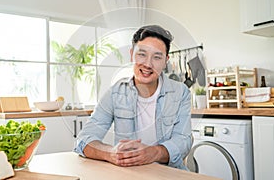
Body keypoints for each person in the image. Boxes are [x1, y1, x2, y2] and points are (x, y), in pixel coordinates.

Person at [74, 24, 192, 170]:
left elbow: (184, 140)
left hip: (171, 174)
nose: (148, 64)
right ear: (131, 54)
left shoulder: (181, 92)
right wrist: (110, 153)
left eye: (157, 57)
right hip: (129, 174)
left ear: (165, 60)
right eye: (142, 54)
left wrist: (153, 153)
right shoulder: (115, 93)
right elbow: (83, 141)